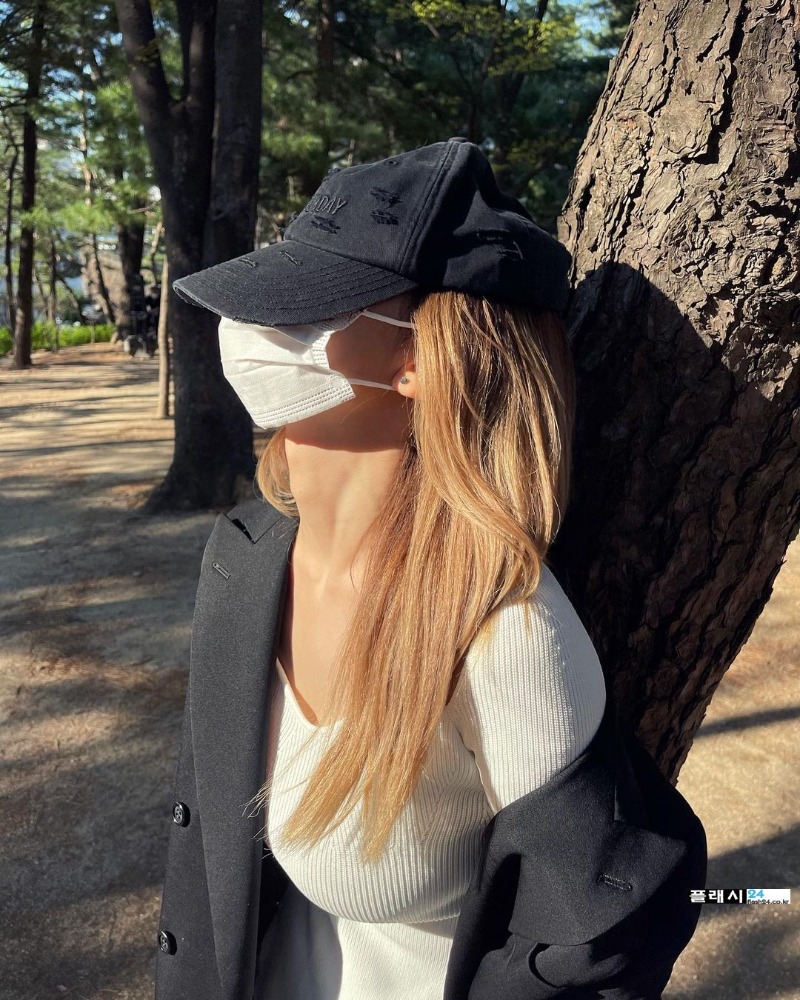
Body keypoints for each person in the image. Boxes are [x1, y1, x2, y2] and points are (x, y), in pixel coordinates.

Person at [157, 137, 705, 1000]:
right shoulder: (246, 551)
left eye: (308, 307)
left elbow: (599, 942)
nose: (255, 331)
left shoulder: (504, 633)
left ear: (418, 359)